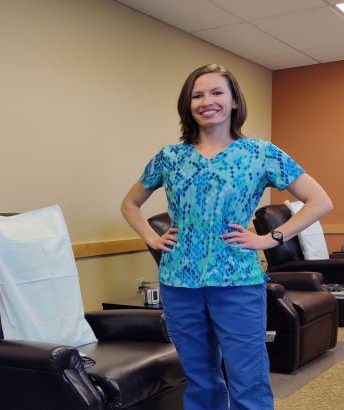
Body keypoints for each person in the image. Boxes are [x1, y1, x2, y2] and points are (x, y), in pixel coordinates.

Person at [120, 64, 333, 410]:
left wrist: (270, 238)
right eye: (197, 95)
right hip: (179, 282)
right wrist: (152, 238)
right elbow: (130, 204)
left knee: (248, 379)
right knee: (200, 378)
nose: (207, 101)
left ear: (234, 101)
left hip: (237, 282)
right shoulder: (170, 157)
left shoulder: (261, 153)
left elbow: (320, 201)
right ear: (188, 105)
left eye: (217, 92)